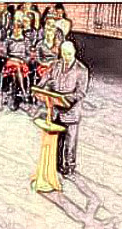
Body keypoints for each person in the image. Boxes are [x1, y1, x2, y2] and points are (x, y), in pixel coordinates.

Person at [37, 41, 90, 177]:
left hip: (71, 112)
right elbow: (46, 78)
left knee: (70, 142)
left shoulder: (81, 70)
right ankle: (56, 164)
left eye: (69, 54)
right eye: (64, 54)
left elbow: (80, 93)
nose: (66, 57)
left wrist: (65, 99)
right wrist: (40, 88)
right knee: (57, 140)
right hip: (56, 110)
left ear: (74, 52)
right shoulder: (55, 65)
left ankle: (69, 167)